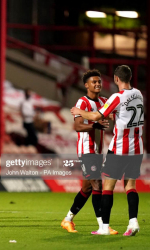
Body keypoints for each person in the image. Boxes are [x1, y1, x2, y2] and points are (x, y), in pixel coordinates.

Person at [71, 65, 144, 236]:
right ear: (130, 77)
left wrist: (79, 111)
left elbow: (96, 116)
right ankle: (133, 223)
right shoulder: (139, 94)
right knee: (131, 186)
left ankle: (104, 227)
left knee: (107, 188)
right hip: (137, 147)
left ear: (116, 79)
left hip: (119, 148)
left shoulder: (116, 97)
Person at [61, 70, 117, 235]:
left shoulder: (104, 101)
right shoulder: (82, 102)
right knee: (97, 184)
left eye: (99, 82)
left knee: (87, 188)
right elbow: (78, 126)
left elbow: (114, 114)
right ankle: (103, 226)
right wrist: (94, 125)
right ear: (86, 85)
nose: (98, 84)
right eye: (94, 82)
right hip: (86, 150)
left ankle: (68, 219)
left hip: (98, 150)